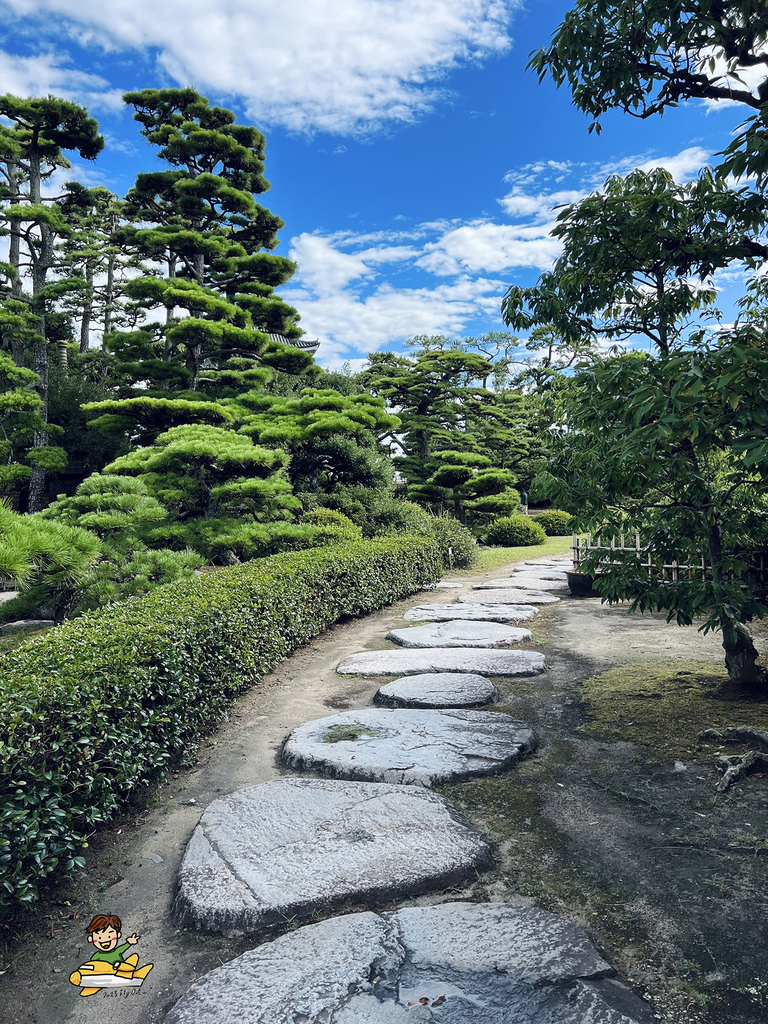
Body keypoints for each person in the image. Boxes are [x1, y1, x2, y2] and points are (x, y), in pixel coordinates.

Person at [69, 914, 153, 997]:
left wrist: (129, 943)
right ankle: (133, 973)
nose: (105, 940)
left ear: (118, 935)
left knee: (131, 959)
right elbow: (94, 967)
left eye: (109, 935)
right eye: (99, 937)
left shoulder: (113, 952)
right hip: (112, 972)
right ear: (91, 939)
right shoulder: (96, 956)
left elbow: (122, 949)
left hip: (120, 968)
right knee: (127, 963)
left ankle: (130, 970)